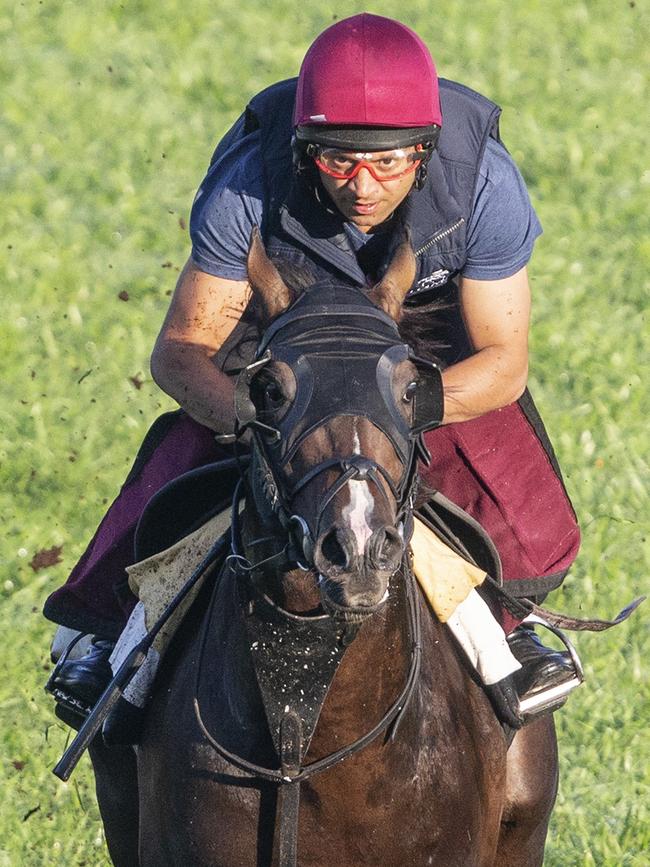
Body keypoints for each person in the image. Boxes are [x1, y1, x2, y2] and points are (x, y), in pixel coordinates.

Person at [45, 14, 581, 727]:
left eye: (389, 162)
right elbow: (179, 352)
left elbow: (503, 362)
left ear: (426, 151)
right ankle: (105, 636)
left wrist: (404, 406)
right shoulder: (245, 187)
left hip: (419, 341)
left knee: (492, 455)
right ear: (303, 152)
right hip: (279, 331)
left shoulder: (484, 184)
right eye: (337, 161)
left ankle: (513, 623)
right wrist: (254, 411)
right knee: (191, 458)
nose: (364, 185)